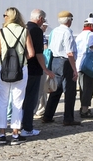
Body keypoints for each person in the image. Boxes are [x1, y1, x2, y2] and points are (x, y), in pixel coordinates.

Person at [0, 7, 34, 145]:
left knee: (2, 102)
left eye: (5, 15)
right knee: (18, 102)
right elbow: (31, 53)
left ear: (8, 17)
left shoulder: (1, 32)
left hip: (2, 69)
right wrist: (21, 59)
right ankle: (15, 134)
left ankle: (2, 134)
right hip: (20, 70)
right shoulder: (24, 31)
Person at [42, 10, 80, 126]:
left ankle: (48, 115)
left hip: (55, 60)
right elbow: (69, 52)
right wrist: (74, 69)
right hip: (65, 62)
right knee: (70, 91)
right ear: (69, 21)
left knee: (56, 88)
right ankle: (68, 118)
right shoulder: (67, 32)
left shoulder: (54, 31)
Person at [21, 9, 54, 137]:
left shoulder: (25, 28)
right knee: (31, 99)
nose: (43, 22)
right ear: (40, 18)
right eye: (43, 20)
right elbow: (39, 53)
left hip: (23, 68)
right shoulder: (37, 31)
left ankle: (19, 125)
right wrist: (45, 69)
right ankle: (27, 127)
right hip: (34, 69)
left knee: (22, 99)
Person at [75, 17, 93, 118]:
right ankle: (85, 110)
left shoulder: (79, 35)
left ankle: (83, 107)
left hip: (79, 64)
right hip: (88, 65)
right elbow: (91, 45)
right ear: (91, 25)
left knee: (83, 88)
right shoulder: (90, 34)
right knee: (89, 87)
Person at [35, 21, 50, 117]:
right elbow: (45, 49)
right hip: (43, 63)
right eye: (45, 26)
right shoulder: (41, 36)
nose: (46, 28)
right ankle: (41, 109)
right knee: (42, 89)